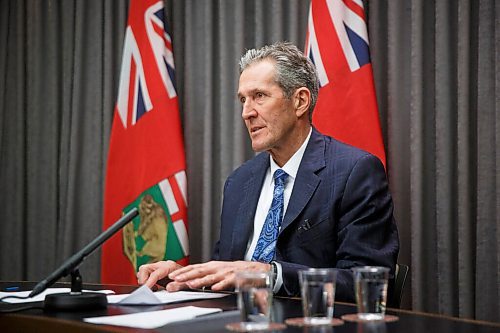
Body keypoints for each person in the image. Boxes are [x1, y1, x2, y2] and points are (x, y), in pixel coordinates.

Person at [137, 41, 399, 302]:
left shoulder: (354, 171)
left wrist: (270, 274)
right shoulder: (239, 182)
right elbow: (229, 271)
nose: (246, 113)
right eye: (243, 100)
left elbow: (367, 279)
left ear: (300, 101)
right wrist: (184, 278)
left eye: (259, 96)